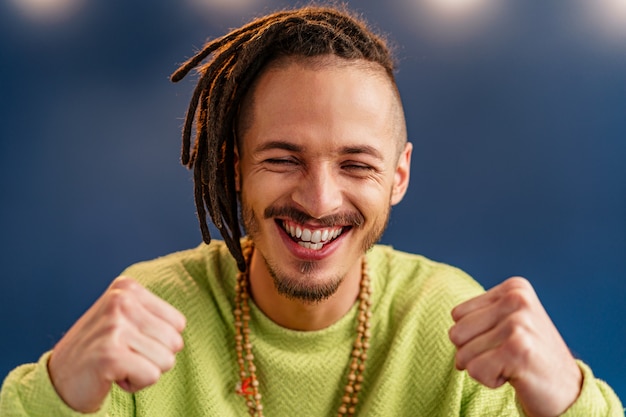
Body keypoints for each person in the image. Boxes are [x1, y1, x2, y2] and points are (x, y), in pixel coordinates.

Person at [0, 4, 623, 417]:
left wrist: (571, 400)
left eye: (356, 165)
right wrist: (54, 394)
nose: (320, 200)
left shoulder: (453, 327)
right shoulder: (146, 316)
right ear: (235, 163)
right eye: (282, 158)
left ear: (399, 175)